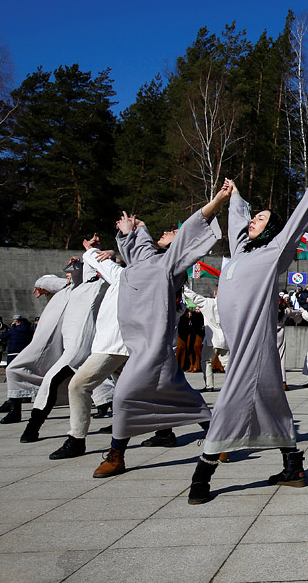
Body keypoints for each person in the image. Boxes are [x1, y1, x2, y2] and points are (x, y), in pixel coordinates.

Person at [187, 163, 308, 505]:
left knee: (227, 402)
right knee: (271, 401)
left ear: (273, 232)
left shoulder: (273, 254)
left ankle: (203, 472)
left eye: (262, 219)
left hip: (255, 344)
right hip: (241, 344)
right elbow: (238, 225)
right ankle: (293, 465)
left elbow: (300, 217)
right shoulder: (240, 252)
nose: (254, 221)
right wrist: (236, 198)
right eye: (255, 217)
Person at [94, 186, 231, 479]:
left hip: (153, 347)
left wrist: (218, 200)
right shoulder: (143, 259)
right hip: (138, 345)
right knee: (186, 398)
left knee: (123, 397)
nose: (165, 233)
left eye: (171, 232)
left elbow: (193, 228)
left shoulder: (171, 264)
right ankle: (218, 438)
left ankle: (117, 455)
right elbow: (135, 245)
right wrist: (135, 227)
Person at [50, 231, 135, 460]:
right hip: (120, 343)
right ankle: (171, 431)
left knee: (78, 386)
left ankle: (76, 439)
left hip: (112, 345)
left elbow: (101, 263)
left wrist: (92, 249)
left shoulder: (124, 274)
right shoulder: (127, 271)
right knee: (145, 392)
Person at [20, 236, 109, 444]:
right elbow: (56, 280)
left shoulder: (102, 284)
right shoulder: (78, 287)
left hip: (80, 346)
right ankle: (161, 429)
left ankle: (35, 426)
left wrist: (100, 253)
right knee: (123, 383)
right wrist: (81, 263)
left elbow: (106, 268)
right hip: (75, 345)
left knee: (53, 380)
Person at [0, 274, 72, 423]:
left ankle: (15, 408)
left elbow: (46, 281)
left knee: (15, 369)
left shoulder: (72, 287)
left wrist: (42, 283)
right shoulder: (63, 294)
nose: (67, 275)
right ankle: (14, 407)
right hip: (51, 342)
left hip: (50, 343)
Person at [181, 286, 226, 393]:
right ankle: (234, 386)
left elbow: (194, 297)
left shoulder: (208, 303)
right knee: (227, 364)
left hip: (210, 338)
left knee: (206, 362)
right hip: (224, 338)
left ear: (215, 293)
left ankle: (209, 385)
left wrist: (183, 287)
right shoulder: (229, 305)